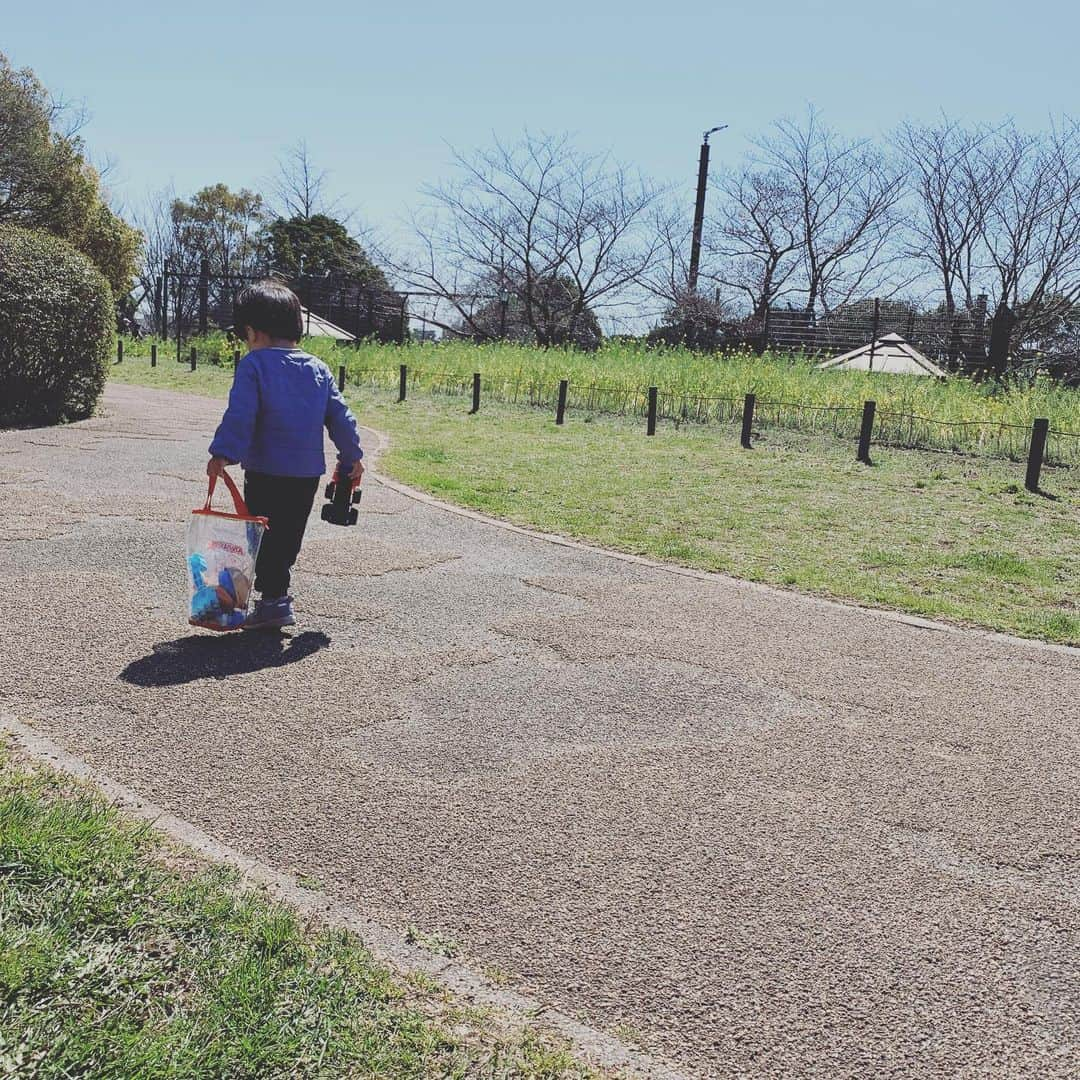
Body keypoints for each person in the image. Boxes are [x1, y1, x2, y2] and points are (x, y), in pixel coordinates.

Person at [207, 280, 364, 630]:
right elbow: (341, 416)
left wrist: (223, 453)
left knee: (261, 535)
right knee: (288, 535)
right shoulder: (318, 368)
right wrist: (351, 458)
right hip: (306, 473)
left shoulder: (254, 365)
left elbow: (241, 414)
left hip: (265, 470)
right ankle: (276, 597)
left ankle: (272, 601)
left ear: (252, 331)